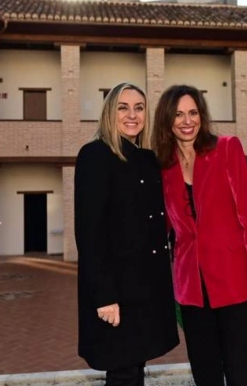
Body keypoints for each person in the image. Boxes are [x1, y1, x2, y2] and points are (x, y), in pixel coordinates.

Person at [153, 84, 247, 386]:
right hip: (190, 286)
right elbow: (160, 226)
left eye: (193, 112)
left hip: (233, 278)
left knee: (237, 363)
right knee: (203, 366)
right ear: (166, 119)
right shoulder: (162, 167)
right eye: (178, 114)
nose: (187, 121)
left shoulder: (227, 149)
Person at [74, 83, 179, 385]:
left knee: (136, 367)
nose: (132, 115)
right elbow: (89, 234)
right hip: (117, 290)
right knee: (122, 371)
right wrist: (104, 296)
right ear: (110, 112)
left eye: (139, 108)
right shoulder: (95, 155)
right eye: (123, 107)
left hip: (148, 286)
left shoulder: (147, 158)